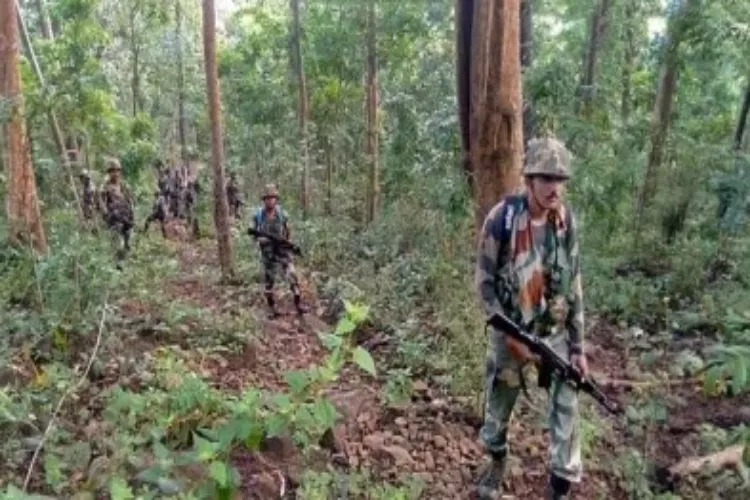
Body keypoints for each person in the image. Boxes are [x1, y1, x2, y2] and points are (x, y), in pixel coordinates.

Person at [474, 135, 586, 500]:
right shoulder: (501, 219)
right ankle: (495, 464)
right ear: (529, 180)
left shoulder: (565, 223)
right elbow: (484, 286)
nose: (554, 187)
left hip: (553, 332)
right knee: (499, 406)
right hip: (511, 328)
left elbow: (575, 286)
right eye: (546, 179)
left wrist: (578, 346)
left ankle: (559, 486)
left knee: (567, 406)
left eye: (559, 180)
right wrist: (510, 337)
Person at [251, 184, 308, 317]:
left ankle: (298, 304)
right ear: (264, 200)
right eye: (268, 198)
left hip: (282, 251)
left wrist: (287, 243)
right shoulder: (258, 215)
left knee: (292, 275)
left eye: (272, 198)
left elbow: (288, 231)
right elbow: (254, 235)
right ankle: (271, 308)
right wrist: (262, 240)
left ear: (276, 199)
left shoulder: (282, 214)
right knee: (269, 280)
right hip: (267, 253)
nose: (270, 200)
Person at [99, 158, 134, 267]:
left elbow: (130, 200)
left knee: (128, 243)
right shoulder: (105, 187)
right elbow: (101, 203)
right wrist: (106, 215)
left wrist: (132, 214)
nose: (116, 173)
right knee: (119, 244)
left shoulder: (124, 185)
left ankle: (126, 263)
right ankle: (119, 265)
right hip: (115, 219)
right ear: (109, 172)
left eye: (117, 170)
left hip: (126, 217)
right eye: (113, 170)